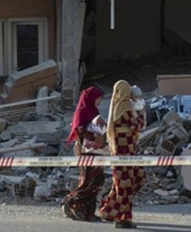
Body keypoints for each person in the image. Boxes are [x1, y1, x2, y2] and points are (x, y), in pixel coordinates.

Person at [99, 80, 146, 229]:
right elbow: (136, 126)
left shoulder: (119, 107)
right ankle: (120, 217)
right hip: (125, 151)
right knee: (125, 186)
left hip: (125, 151)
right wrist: (141, 113)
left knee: (128, 183)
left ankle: (112, 212)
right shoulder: (124, 107)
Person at [61, 86, 106, 222]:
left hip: (96, 151)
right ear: (91, 98)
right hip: (87, 152)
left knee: (95, 180)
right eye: (98, 99)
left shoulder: (93, 111)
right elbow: (80, 131)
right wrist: (95, 135)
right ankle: (70, 201)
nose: (99, 101)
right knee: (91, 181)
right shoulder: (83, 111)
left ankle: (88, 213)